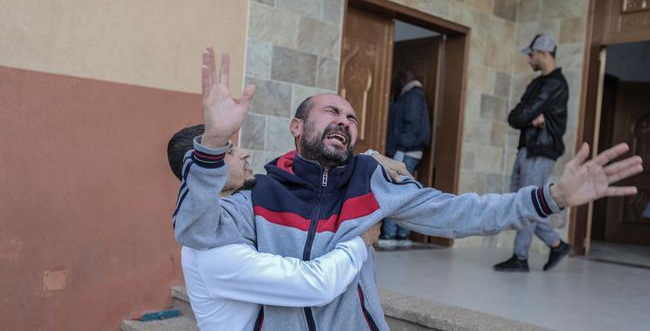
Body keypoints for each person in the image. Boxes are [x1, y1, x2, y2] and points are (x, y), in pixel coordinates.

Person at [174, 47, 643, 330]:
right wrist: (214, 143)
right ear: (296, 127)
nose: (344, 121)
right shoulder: (260, 193)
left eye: (351, 117)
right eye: (331, 113)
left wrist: (552, 197)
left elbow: (461, 212)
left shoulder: (373, 180)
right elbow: (195, 229)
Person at [167, 124, 383, 330]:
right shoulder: (211, 253)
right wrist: (360, 241)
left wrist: (369, 160)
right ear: (204, 173)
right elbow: (316, 285)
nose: (245, 153)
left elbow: (304, 176)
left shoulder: (242, 212)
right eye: (230, 153)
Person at [493, 34, 571, 272]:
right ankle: (556, 244)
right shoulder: (537, 83)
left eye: (532, 53)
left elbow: (522, 114)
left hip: (541, 150)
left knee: (527, 202)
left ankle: (521, 257)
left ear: (544, 53)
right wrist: (527, 118)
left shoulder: (555, 84)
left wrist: (528, 117)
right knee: (518, 202)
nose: (529, 57)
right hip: (527, 147)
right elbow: (515, 116)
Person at [383, 69, 431, 241]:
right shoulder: (412, 95)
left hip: (405, 151)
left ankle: (394, 234)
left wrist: (399, 149)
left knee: (396, 192)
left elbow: (412, 125)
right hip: (407, 150)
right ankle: (400, 234)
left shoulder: (413, 96)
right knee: (401, 191)